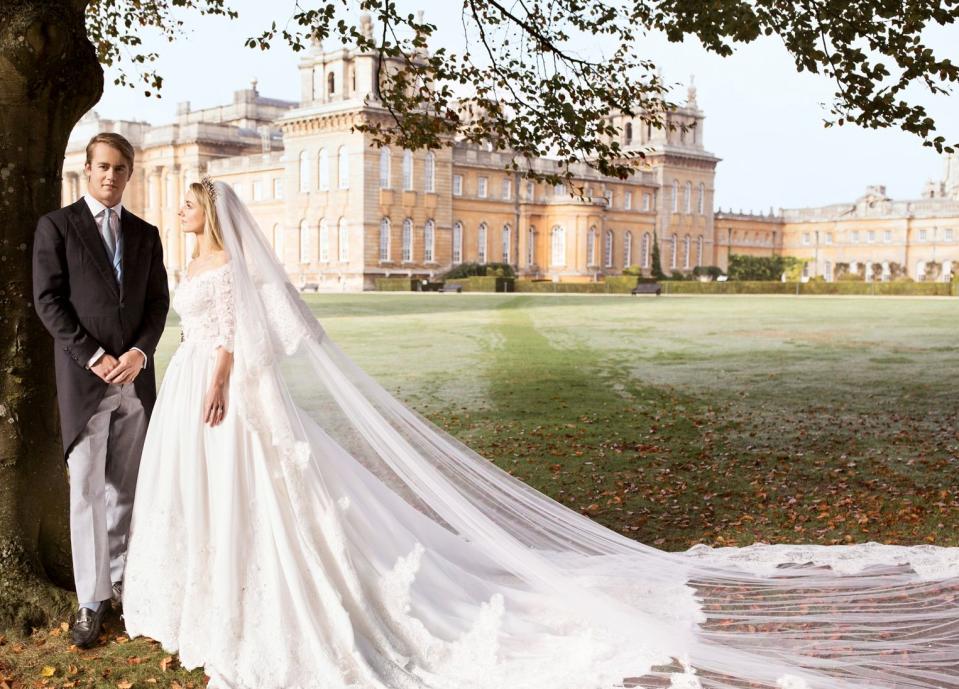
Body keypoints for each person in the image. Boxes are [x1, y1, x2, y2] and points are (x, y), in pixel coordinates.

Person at [123, 178, 959, 689]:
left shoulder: (226, 262)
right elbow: (192, 323)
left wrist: (225, 379)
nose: (188, 215)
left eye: (195, 207)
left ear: (213, 217)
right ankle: (212, 589)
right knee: (222, 496)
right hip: (193, 378)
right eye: (188, 207)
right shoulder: (182, 260)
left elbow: (239, 333)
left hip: (221, 386)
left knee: (276, 497)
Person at [32, 132, 170, 648]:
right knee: (86, 490)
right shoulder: (57, 227)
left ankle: (122, 582)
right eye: (103, 167)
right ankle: (90, 602)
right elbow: (49, 302)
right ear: (87, 170)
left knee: (129, 490)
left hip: (135, 382)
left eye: (120, 168)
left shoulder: (146, 233)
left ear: (129, 174)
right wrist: (94, 356)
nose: (111, 176)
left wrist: (138, 354)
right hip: (84, 381)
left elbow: (158, 304)